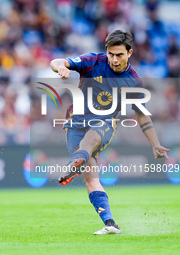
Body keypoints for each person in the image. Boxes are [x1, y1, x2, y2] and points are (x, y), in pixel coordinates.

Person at [50, 30, 169, 235]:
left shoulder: (133, 81)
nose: (114, 59)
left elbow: (141, 115)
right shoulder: (92, 61)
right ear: (106, 51)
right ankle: (110, 224)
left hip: (104, 123)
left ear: (129, 53)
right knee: (91, 178)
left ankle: (74, 162)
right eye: (111, 54)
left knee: (92, 137)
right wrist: (60, 67)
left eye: (119, 55)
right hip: (75, 122)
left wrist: (155, 143)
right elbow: (57, 61)